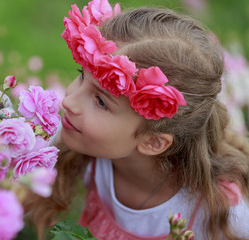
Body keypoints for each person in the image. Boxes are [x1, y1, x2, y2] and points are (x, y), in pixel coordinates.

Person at [23, 0, 249, 239]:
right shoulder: (90, 154)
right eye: (81, 76)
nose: (68, 102)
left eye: (101, 101)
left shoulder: (222, 215)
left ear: (153, 142)